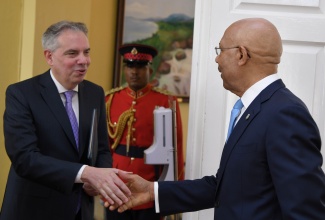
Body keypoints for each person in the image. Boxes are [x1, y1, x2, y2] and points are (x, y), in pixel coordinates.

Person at [108, 18, 325, 219]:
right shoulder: (255, 108)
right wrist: (151, 190)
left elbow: (305, 212)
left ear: (241, 55)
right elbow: (224, 186)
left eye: (221, 50)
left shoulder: (284, 114)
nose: (217, 58)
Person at [0, 21, 131, 220]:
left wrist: (99, 179)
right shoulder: (22, 94)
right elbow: (25, 159)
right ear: (49, 56)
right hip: (33, 210)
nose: (84, 60)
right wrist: (85, 173)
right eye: (72, 53)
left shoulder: (95, 93)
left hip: (80, 210)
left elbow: (102, 148)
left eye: (86, 52)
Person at [104, 43, 184, 220]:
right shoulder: (110, 99)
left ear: (150, 70)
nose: (134, 72)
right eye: (130, 66)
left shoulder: (166, 101)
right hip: (117, 183)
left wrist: (171, 189)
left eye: (140, 67)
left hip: (150, 181)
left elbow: (175, 148)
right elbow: (105, 146)